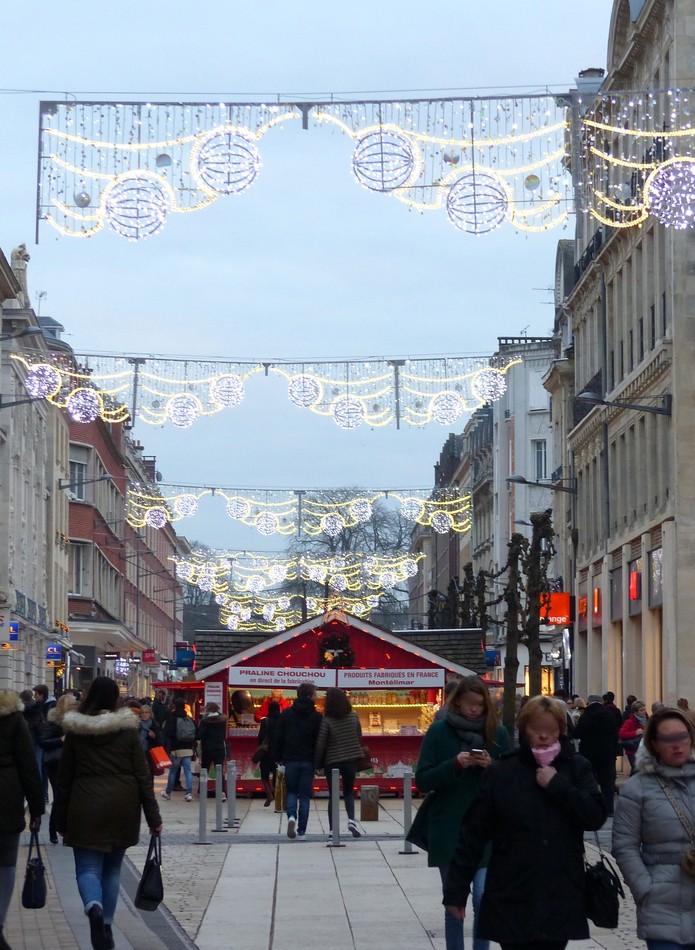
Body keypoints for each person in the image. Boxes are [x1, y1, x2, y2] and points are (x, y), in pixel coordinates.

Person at [443, 695, 607, 950]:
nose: (544, 737)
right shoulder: (502, 772)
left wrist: (557, 786)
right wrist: (457, 890)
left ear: (560, 732)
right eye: (537, 730)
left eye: (551, 731)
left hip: (559, 889)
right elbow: (473, 833)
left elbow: (595, 815)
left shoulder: (575, 767)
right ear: (524, 730)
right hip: (513, 888)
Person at [54, 677, 162, 950]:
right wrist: (153, 817)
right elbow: (142, 776)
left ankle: (94, 908)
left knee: (88, 868)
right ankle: (107, 926)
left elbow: (64, 779)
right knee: (113, 870)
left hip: (84, 805)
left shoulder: (76, 732)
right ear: (116, 698)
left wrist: (59, 818)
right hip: (122, 807)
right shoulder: (127, 731)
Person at [416, 675, 511, 950]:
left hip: (487, 829)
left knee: (483, 895)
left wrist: (492, 766)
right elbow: (423, 780)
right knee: (454, 903)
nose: (475, 710)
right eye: (470, 704)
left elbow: (512, 782)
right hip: (449, 828)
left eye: (480, 705)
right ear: (457, 702)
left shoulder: (498, 733)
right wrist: (455, 764)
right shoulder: (439, 731)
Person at [612, 707, 695, 949]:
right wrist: (644, 889)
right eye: (668, 739)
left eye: (682, 736)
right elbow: (624, 845)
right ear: (654, 744)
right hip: (662, 907)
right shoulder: (638, 788)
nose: (677, 745)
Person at [0, 690, 44, 950]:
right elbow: (28, 764)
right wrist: (37, 808)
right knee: (5, 863)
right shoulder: (13, 718)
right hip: (6, 797)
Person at [274, 681, 322, 840]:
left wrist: (278, 757)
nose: (316, 697)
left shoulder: (286, 713)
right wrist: (319, 760)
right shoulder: (317, 717)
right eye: (315, 694)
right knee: (305, 795)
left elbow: (278, 737)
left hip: (290, 759)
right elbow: (319, 740)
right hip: (308, 760)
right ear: (309, 696)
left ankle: (291, 817)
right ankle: (302, 831)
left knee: (292, 791)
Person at [315, 687, 364, 839]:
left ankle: (332, 830)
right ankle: (351, 820)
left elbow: (321, 743)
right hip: (351, 760)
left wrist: (317, 764)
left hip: (333, 761)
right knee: (349, 791)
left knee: (333, 795)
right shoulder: (353, 716)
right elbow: (359, 736)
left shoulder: (327, 720)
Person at [40, 692, 79, 843]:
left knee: (67, 796)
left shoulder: (76, 721)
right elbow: (44, 741)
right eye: (72, 704)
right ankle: (54, 830)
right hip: (56, 763)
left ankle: (64, 829)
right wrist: (61, 739)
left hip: (70, 763)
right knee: (59, 795)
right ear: (64, 706)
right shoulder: (54, 722)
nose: (75, 707)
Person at [573, 694, 620, 815]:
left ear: (589, 702)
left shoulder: (585, 716)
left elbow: (577, 734)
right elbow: (615, 733)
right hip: (606, 752)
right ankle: (609, 809)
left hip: (588, 752)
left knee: (589, 780)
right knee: (607, 782)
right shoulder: (609, 715)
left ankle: (590, 807)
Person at [161, 697, 196, 801]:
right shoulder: (188, 718)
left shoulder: (172, 718)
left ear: (174, 705)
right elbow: (195, 731)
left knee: (173, 771)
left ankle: (168, 792)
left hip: (176, 748)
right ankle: (188, 794)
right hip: (188, 748)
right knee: (187, 771)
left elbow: (168, 733)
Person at [196, 702, 228, 795]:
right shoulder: (222, 720)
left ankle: (202, 790)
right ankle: (222, 791)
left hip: (207, 748)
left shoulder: (205, 721)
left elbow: (199, 735)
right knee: (219, 770)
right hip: (220, 748)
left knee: (204, 770)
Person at [257, 700, 281, 806]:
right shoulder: (283, 720)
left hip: (267, 751)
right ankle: (277, 796)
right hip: (278, 752)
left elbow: (260, 737)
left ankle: (269, 793)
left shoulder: (265, 721)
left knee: (264, 774)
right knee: (278, 775)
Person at [619, 699, 648, 775]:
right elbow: (622, 734)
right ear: (635, 712)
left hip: (645, 750)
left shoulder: (648, 721)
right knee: (637, 770)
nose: (644, 712)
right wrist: (635, 733)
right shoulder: (629, 722)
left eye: (644, 710)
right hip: (633, 751)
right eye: (641, 710)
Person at [136, 705, 162, 774]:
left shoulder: (154, 725)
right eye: (142, 713)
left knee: (149, 773)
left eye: (146, 712)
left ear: (150, 714)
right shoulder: (136, 724)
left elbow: (159, 742)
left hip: (150, 753)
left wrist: (154, 737)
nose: (144, 714)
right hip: (138, 752)